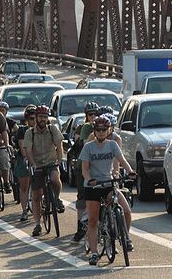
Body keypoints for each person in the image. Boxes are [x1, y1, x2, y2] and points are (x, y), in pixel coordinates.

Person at [80, 115, 136, 266]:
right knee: (92, 220)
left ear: (109, 130)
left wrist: (130, 171)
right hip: (93, 186)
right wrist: (89, 179)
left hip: (108, 184)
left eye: (104, 129)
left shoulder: (112, 145)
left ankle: (126, 237)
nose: (101, 132)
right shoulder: (88, 147)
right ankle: (94, 253)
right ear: (94, 131)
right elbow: (84, 169)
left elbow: (122, 160)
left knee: (126, 210)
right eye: (98, 129)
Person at [24, 105, 65, 237]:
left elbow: (59, 145)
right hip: (37, 165)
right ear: (36, 118)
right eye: (41, 117)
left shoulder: (53, 129)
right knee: (36, 196)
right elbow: (28, 150)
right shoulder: (29, 133)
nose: (43, 119)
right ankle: (37, 224)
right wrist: (33, 164)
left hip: (50, 162)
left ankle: (57, 198)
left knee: (55, 179)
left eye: (45, 117)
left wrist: (59, 160)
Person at [72, 101, 99, 242]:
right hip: (83, 166)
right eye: (91, 114)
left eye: (96, 114)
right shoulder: (85, 128)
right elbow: (84, 145)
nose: (93, 117)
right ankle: (80, 229)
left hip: (100, 167)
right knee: (83, 197)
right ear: (86, 116)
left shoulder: (105, 127)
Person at [14, 105, 37, 221]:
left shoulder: (43, 129)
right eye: (32, 118)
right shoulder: (22, 131)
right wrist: (26, 158)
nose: (34, 121)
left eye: (36, 118)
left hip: (39, 158)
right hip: (25, 159)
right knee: (24, 186)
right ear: (27, 120)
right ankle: (24, 211)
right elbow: (23, 148)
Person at [0, 101, 19, 193]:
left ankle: (9, 181)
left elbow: (17, 130)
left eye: (3, 110)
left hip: (9, 145)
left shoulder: (9, 121)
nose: (1, 112)